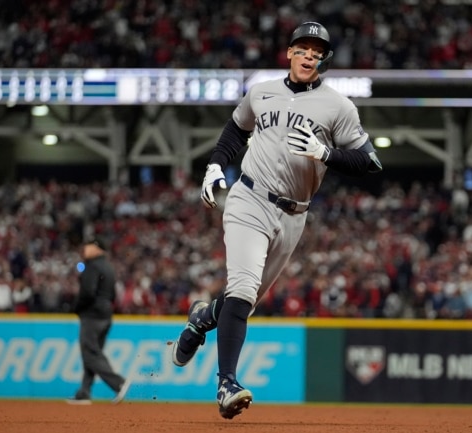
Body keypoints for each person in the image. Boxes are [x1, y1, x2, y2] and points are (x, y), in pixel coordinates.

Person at [171, 21, 382, 419]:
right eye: (302, 48)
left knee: (242, 303)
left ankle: (203, 318)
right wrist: (216, 165)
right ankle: (226, 383)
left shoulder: (338, 106)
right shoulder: (262, 92)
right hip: (249, 198)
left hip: (294, 215)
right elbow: (236, 128)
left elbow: (370, 162)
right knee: (244, 289)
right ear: (289, 52)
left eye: (316, 51)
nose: (308, 55)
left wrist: (328, 154)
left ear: (324, 60)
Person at [67, 236, 131, 405]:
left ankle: (119, 383)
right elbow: (113, 295)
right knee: (93, 354)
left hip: (92, 315)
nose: (85, 249)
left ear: (97, 248)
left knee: (90, 354)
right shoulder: (109, 267)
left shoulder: (92, 265)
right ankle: (84, 392)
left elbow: (87, 292)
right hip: (106, 314)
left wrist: (76, 307)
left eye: (88, 246)